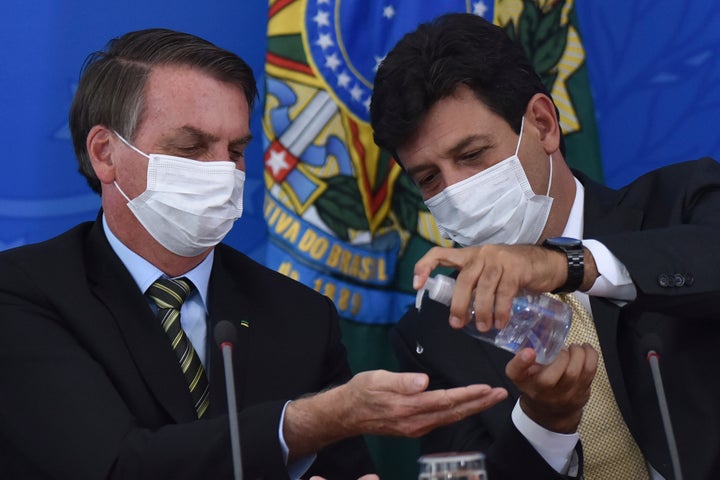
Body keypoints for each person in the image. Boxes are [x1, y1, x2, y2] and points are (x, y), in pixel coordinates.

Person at [0, 28, 510, 480]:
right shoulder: (26, 293)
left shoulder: (301, 317)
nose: (224, 172)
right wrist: (306, 421)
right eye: (192, 147)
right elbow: (116, 465)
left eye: (237, 150)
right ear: (105, 154)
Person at [370, 12, 720, 480]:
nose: (455, 190)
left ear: (542, 124)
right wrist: (544, 423)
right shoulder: (438, 329)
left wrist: (568, 265)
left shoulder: (680, 203)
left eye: (472, 155)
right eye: (430, 178)